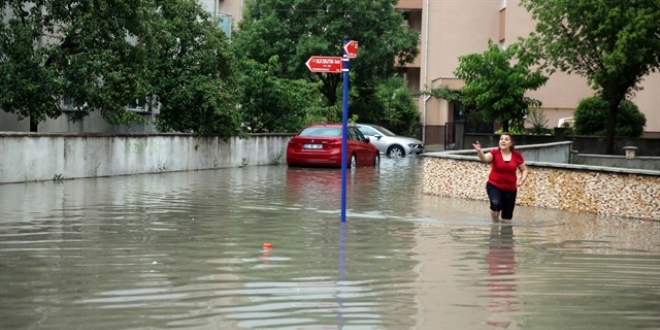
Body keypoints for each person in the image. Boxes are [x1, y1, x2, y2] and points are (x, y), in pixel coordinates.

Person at [472, 133, 528, 222]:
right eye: (501, 139)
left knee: (507, 218)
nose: (503, 141)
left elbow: (524, 170)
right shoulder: (494, 153)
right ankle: (494, 227)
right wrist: (479, 151)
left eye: (506, 139)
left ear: (511, 143)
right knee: (496, 204)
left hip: (510, 189)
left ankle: (505, 235)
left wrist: (522, 179)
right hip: (494, 185)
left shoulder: (516, 155)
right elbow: (485, 158)